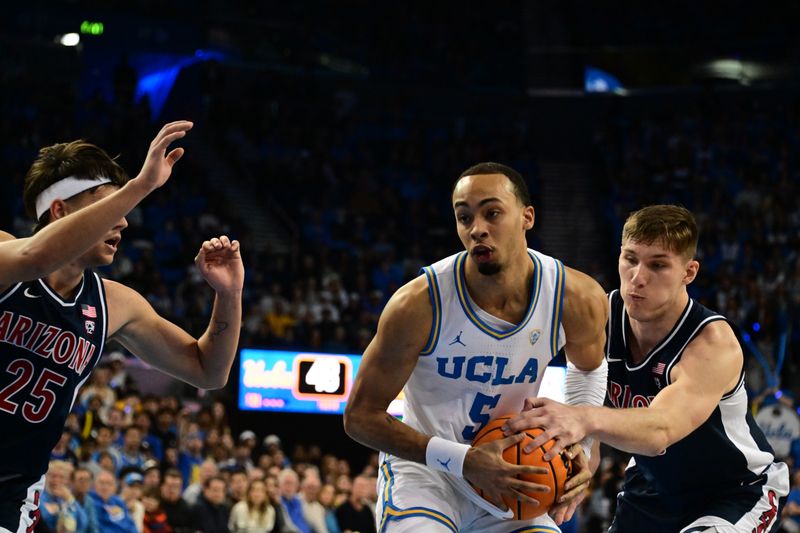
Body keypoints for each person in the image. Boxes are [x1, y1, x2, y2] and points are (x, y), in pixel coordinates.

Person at [0, 120, 244, 530]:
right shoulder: (6, 252)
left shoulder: (114, 303)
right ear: (59, 210)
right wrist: (140, 186)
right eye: (110, 207)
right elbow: (35, 259)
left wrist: (229, 295)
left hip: (13, 494)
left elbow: (209, 370)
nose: (124, 221)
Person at [344, 162, 608, 532]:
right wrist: (463, 460)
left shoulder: (575, 296)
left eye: (492, 212)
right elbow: (359, 417)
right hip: (428, 474)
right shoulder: (418, 304)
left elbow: (589, 368)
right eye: (464, 217)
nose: (477, 229)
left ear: (527, 217)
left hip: (515, 471)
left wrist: (583, 444)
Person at [505, 205, 790, 532]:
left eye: (658, 265)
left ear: (689, 272)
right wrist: (576, 469)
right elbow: (589, 433)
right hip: (653, 487)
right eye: (630, 259)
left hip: (734, 490)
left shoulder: (712, 343)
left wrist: (582, 419)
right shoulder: (599, 320)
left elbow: (660, 431)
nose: (638, 277)